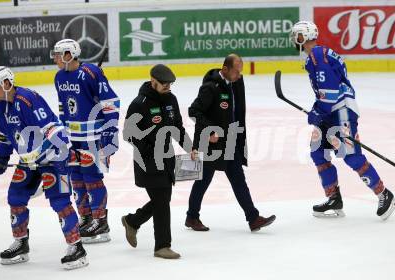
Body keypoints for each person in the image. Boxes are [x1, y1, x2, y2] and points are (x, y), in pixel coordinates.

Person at [290, 21, 395, 219]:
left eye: (297, 36)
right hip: (330, 111)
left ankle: (385, 194)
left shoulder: (317, 56)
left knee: (351, 155)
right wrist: (317, 110)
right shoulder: (316, 56)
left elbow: (331, 93)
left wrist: (318, 112)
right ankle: (334, 199)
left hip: (342, 111)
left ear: (304, 37)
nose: (294, 40)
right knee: (318, 152)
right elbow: (325, 93)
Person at [0, 66, 88, 270]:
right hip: (28, 162)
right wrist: (0, 158)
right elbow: (6, 136)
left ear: (6, 83)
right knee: (15, 197)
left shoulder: (27, 99)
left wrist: (56, 151)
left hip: (52, 159)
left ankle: (76, 248)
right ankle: (21, 244)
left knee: (60, 202)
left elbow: (53, 128)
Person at [185, 54, 276, 232]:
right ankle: (192, 217)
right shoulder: (210, 88)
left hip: (231, 140)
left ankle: (253, 218)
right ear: (225, 69)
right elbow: (194, 111)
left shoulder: (236, 83)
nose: (239, 75)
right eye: (235, 71)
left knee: (238, 179)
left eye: (240, 71)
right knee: (203, 180)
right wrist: (210, 130)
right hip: (211, 143)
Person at [51, 39, 120, 243]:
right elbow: (63, 107)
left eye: (58, 54)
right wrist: (61, 133)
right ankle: (87, 217)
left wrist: (110, 129)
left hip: (94, 138)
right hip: (73, 139)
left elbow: (110, 101)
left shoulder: (91, 73)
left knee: (92, 179)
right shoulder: (59, 76)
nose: (54, 58)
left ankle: (101, 221)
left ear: (69, 54)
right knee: (77, 179)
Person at [121, 64, 192, 259]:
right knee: (162, 202)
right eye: (164, 84)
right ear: (153, 81)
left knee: (162, 200)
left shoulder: (171, 100)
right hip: (147, 162)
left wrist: (190, 148)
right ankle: (162, 246)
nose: (168, 87)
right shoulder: (139, 103)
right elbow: (128, 133)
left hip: (167, 160)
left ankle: (133, 221)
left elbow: (178, 128)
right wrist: (147, 148)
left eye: (170, 84)